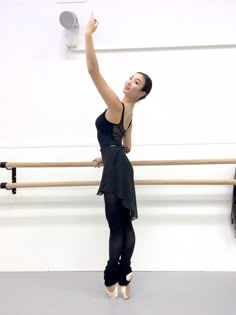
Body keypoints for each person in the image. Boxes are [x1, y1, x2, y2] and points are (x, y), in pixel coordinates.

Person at [85, 12, 152, 300]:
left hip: (116, 168)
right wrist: (107, 155)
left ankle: (111, 275)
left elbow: (93, 72)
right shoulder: (130, 114)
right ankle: (125, 273)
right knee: (124, 224)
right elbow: (127, 147)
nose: (129, 82)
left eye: (136, 83)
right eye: (130, 78)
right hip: (121, 165)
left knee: (115, 226)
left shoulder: (116, 105)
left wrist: (87, 36)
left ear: (142, 93)